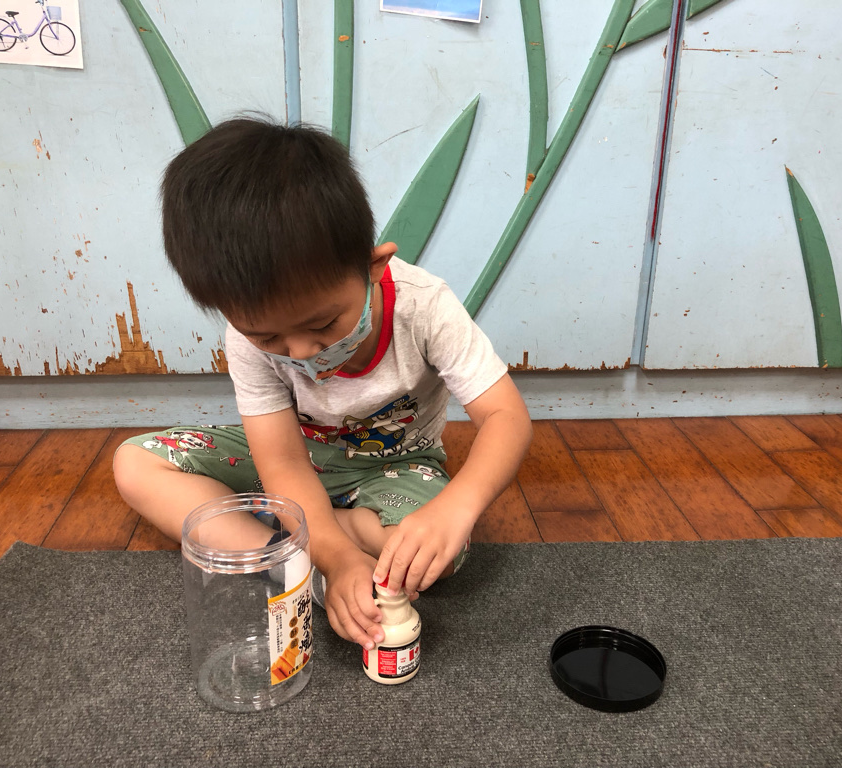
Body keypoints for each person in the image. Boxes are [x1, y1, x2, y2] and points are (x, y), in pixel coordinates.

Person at [113, 116, 532, 651]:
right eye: (268, 336)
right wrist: (336, 561)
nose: (301, 352)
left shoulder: (424, 307)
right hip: (292, 462)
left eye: (323, 324)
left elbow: (506, 417)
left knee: (443, 553)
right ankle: (295, 552)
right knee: (135, 464)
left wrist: (456, 509)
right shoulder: (245, 338)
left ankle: (301, 535)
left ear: (373, 267)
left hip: (394, 467)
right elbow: (283, 463)